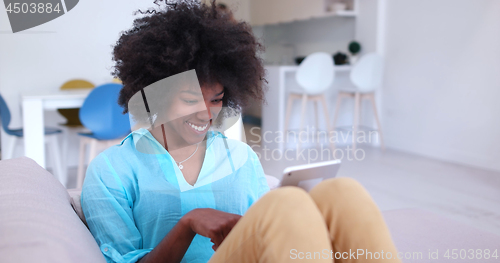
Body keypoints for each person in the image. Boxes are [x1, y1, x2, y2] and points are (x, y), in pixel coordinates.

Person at [81, 1, 401, 263]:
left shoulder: (240, 157)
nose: (206, 115)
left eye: (216, 99)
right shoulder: (113, 169)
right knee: (285, 203)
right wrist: (188, 224)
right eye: (190, 99)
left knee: (341, 191)